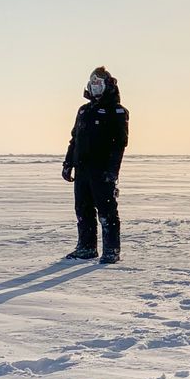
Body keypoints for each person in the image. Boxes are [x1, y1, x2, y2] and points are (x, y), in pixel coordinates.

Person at [61, 66, 129, 263]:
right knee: (83, 209)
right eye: (93, 84)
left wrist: (112, 172)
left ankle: (111, 251)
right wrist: (68, 163)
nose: (95, 88)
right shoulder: (84, 111)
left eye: (99, 84)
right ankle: (87, 247)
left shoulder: (117, 112)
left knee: (107, 211)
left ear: (107, 85)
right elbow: (74, 139)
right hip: (82, 169)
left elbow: (120, 145)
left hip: (102, 171)